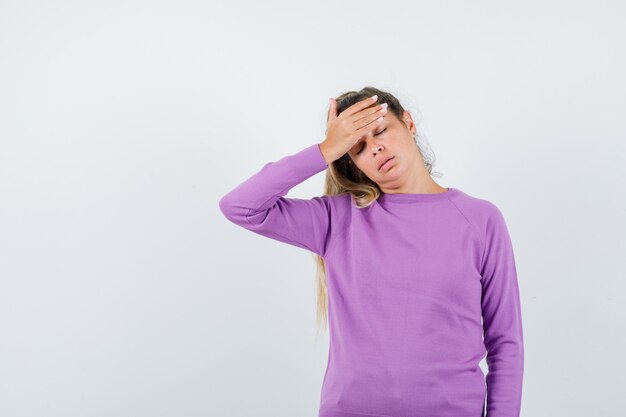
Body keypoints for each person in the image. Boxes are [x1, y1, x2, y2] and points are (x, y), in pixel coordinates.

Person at [218, 86, 524, 417]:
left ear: (407, 123)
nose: (376, 148)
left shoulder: (480, 220)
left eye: (380, 130)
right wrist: (324, 150)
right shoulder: (337, 219)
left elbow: (505, 343)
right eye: (358, 147)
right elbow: (241, 207)